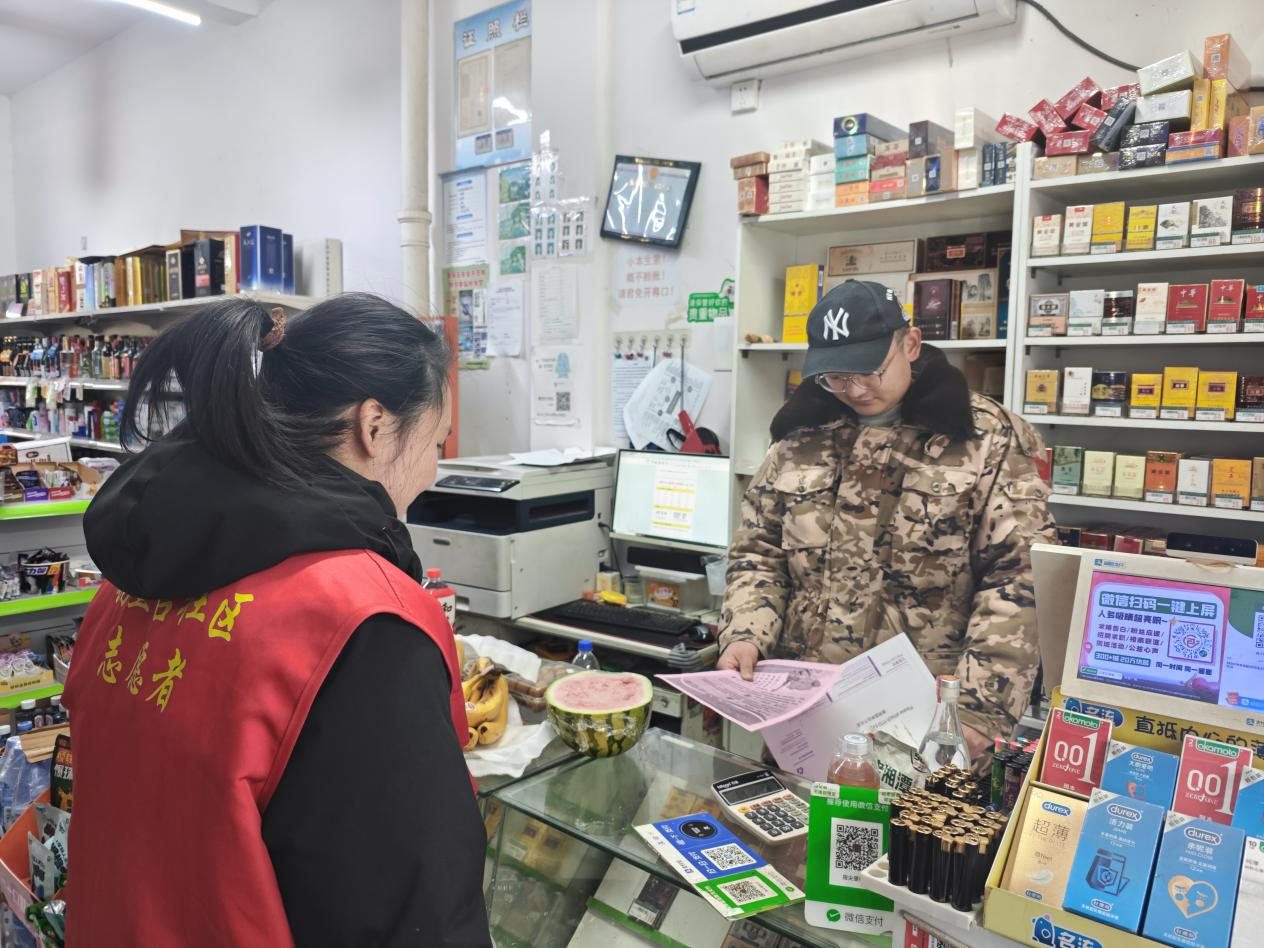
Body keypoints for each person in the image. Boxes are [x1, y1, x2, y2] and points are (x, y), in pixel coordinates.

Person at [63, 296, 491, 947]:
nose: (433, 470)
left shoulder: (132, 573)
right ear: (375, 426)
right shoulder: (366, 621)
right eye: (436, 442)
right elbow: (411, 913)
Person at [718, 279, 1055, 755]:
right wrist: (745, 634)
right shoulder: (799, 438)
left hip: (927, 718)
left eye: (868, 371)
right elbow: (758, 553)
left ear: (910, 345)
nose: (853, 390)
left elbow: (1019, 577)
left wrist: (979, 708)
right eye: (835, 377)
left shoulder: (986, 438)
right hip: (807, 711)